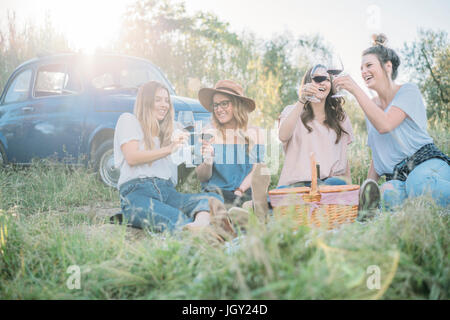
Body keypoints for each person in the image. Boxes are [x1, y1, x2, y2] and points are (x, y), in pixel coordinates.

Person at [333, 34, 450, 210]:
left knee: (418, 183)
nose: (363, 71)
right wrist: (367, 188)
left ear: (387, 67)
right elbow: (378, 152)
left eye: (369, 65)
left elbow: (385, 125)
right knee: (387, 196)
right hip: (397, 176)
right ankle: (419, 206)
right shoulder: (371, 106)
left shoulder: (408, 91)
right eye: (361, 68)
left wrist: (355, 90)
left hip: (426, 163)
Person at [113, 80, 236, 239]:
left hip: (168, 192)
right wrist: (169, 148)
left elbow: (197, 134)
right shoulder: (129, 120)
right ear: (145, 101)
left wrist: (206, 146)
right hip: (137, 193)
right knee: (177, 220)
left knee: (213, 199)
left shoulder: (172, 128)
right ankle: (209, 231)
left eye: (166, 100)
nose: (164, 104)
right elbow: (132, 157)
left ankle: (201, 226)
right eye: (158, 99)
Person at [195, 80, 270, 214]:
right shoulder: (208, 132)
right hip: (217, 192)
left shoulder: (255, 133)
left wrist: (240, 190)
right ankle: (243, 212)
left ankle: (246, 208)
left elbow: (256, 170)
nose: (219, 109)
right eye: (216, 105)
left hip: (244, 190)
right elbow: (202, 177)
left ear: (237, 105)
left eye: (224, 103)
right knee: (212, 201)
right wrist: (208, 161)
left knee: (259, 189)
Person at [277, 64, 354, 189]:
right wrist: (302, 100)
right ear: (308, 82)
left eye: (327, 79)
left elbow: (344, 160)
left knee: (334, 184)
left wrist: (351, 192)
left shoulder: (340, 117)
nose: (322, 83)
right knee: (283, 193)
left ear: (331, 85)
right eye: (317, 79)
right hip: (298, 184)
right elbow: (282, 136)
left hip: (329, 184)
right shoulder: (292, 111)